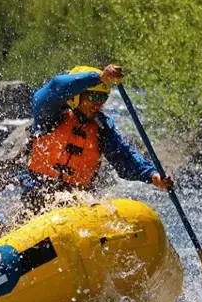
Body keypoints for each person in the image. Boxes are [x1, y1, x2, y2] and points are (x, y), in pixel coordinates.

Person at [23, 64, 173, 213]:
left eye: (103, 98)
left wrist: (152, 175)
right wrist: (98, 78)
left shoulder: (102, 128)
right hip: (38, 195)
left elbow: (125, 157)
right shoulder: (50, 115)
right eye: (94, 96)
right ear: (76, 95)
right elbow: (55, 87)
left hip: (77, 199)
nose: (98, 103)